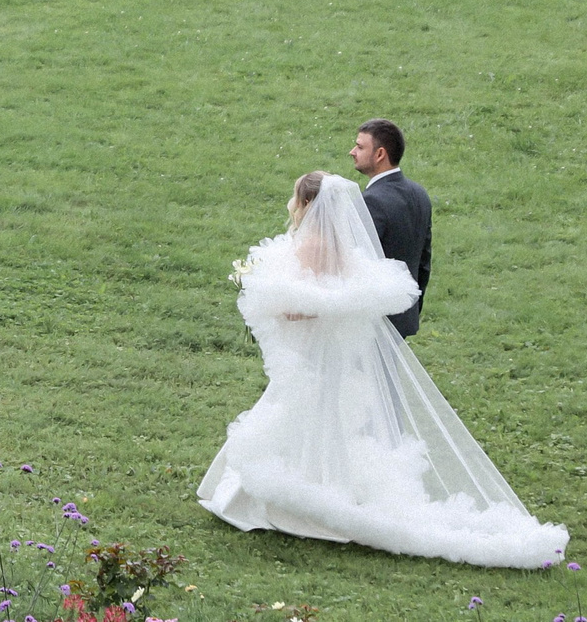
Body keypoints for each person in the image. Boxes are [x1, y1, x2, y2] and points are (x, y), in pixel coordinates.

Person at [196, 171, 567, 568]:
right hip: (329, 354)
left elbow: (313, 305)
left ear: (307, 204)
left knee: (295, 417)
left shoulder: (313, 245)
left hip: (311, 355)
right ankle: (327, 490)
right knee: (323, 419)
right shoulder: (341, 245)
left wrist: (269, 301)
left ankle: (294, 504)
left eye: (295, 198)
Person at [353, 119, 430, 338]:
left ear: (379, 154)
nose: (352, 152)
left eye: (360, 147)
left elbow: (358, 264)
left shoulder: (371, 201)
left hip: (372, 323)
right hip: (403, 315)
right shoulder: (419, 194)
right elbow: (424, 261)